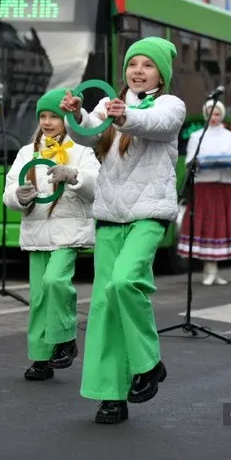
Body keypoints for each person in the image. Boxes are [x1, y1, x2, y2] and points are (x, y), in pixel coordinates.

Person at [60, 36, 186, 425]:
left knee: (125, 283)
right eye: (134, 64)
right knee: (103, 305)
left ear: (160, 75)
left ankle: (149, 363)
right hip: (111, 215)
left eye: (148, 66)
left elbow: (156, 125)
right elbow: (86, 137)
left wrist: (123, 117)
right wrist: (78, 115)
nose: (138, 71)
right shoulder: (107, 105)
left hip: (149, 214)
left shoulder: (170, 105)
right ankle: (110, 396)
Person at [3, 88, 100, 381]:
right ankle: (41, 358)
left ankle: (65, 338)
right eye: (43, 116)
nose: (47, 122)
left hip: (69, 233)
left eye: (54, 117)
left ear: (67, 119)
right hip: (36, 235)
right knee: (40, 297)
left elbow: (96, 187)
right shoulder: (26, 153)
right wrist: (18, 196)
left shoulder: (82, 150)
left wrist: (72, 176)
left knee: (55, 281)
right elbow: (8, 191)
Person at [178, 99, 231, 286]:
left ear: (221, 115)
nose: (213, 118)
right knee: (206, 226)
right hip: (203, 186)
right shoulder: (196, 136)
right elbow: (189, 162)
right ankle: (209, 270)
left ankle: (214, 270)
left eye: (216, 114)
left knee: (219, 227)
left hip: (223, 185)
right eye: (210, 113)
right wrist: (198, 163)